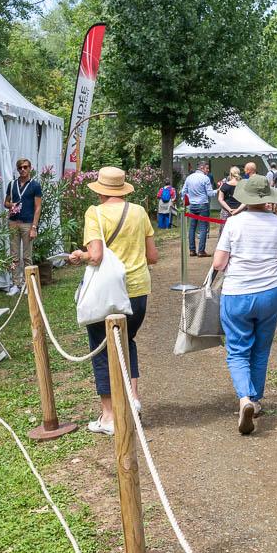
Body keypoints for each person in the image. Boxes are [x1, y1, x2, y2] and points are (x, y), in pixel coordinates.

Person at [66, 167, 159, 436]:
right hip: (138, 289)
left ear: (101, 190)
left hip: (108, 293)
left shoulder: (94, 213)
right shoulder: (139, 212)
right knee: (127, 341)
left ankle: (109, 416)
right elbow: (152, 256)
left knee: (102, 348)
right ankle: (133, 398)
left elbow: (95, 255)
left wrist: (78, 255)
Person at [212, 174, 277, 434]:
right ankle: (255, 401)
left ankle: (244, 398)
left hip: (237, 292)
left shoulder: (234, 224)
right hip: (271, 292)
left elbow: (218, 263)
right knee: (261, 347)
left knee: (237, 349)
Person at [2, 158, 42, 294]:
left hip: (27, 223)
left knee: (27, 256)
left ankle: (27, 284)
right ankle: (15, 284)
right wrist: (10, 205)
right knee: (14, 255)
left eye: (25, 167)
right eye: (20, 168)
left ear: (30, 168)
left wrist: (34, 227)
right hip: (13, 222)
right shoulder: (12, 184)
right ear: (17, 169)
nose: (23, 170)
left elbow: (38, 207)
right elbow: (5, 203)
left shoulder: (35, 185)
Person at [182, 162, 214, 257]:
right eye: (207, 168)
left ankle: (192, 250)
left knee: (192, 228)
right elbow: (210, 194)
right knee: (203, 228)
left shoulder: (189, 177)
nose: (208, 170)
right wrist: (219, 190)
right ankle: (201, 251)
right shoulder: (205, 178)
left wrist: (185, 201)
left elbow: (183, 192)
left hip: (192, 205)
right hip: (203, 204)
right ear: (202, 168)